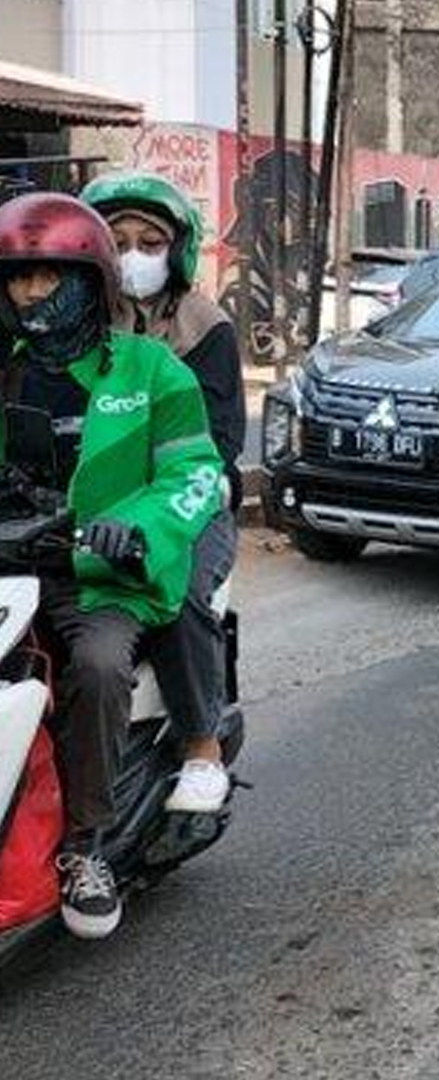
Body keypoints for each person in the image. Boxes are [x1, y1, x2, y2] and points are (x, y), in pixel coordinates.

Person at [0, 193, 225, 938]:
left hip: (94, 572)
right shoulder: (6, 373)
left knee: (96, 666)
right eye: (17, 278)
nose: (29, 293)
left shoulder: (154, 371)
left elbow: (194, 475)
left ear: (89, 281)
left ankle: (85, 845)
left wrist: (131, 529)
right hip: (10, 564)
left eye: (46, 277)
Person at [81, 172, 241, 819]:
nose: (132, 254)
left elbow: (220, 442)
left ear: (176, 250)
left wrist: (159, 511)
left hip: (190, 500)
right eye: (117, 240)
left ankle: (201, 748)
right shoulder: (71, 321)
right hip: (90, 503)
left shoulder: (204, 325)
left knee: (169, 584)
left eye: (150, 241)